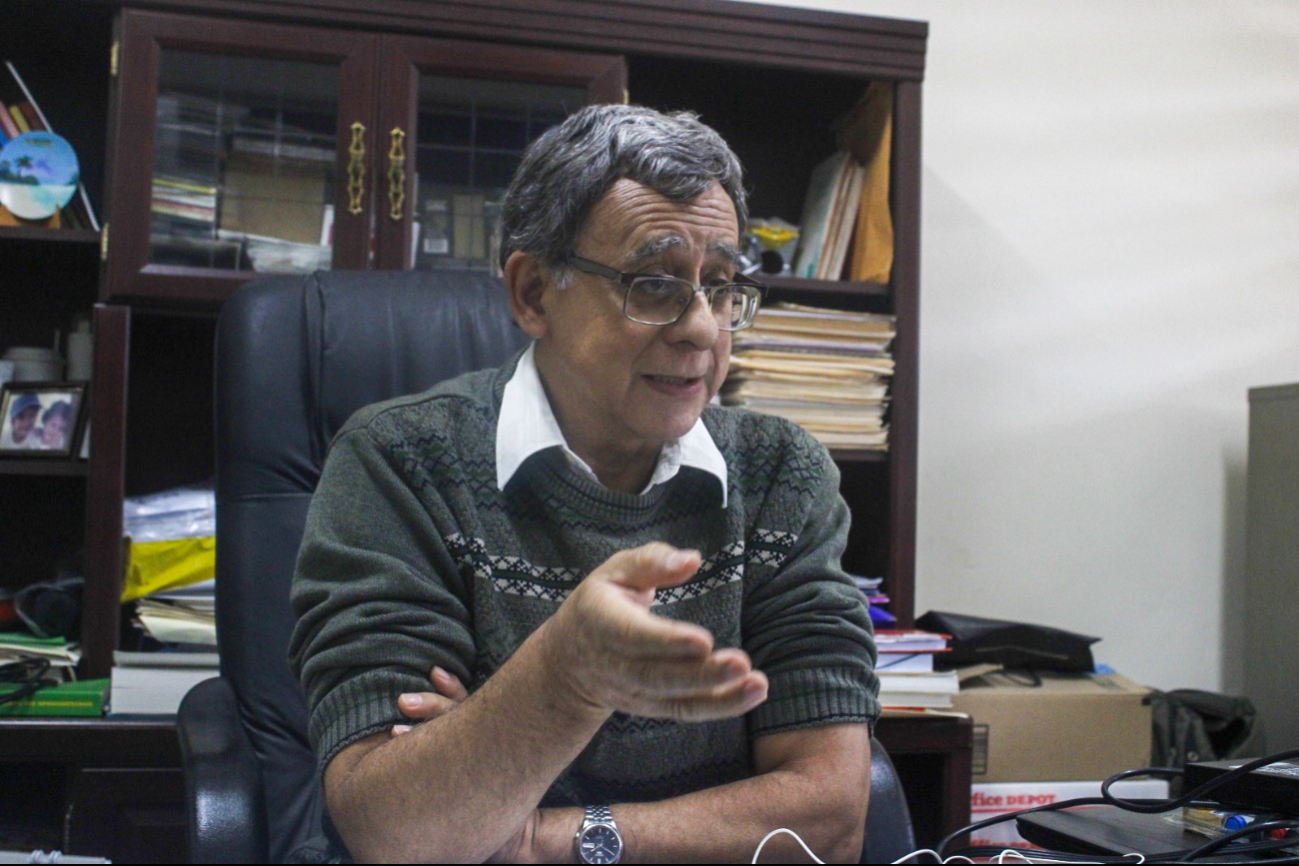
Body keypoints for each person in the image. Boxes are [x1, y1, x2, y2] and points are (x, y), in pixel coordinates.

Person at [288, 103, 880, 864]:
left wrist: (537, 834)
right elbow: (400, 832)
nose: (702, 327)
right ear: (534, 293)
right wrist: (566, 675)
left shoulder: (779, 476)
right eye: (655, 283)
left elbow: (826, 819)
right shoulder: (399, 460)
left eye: (723, 286)